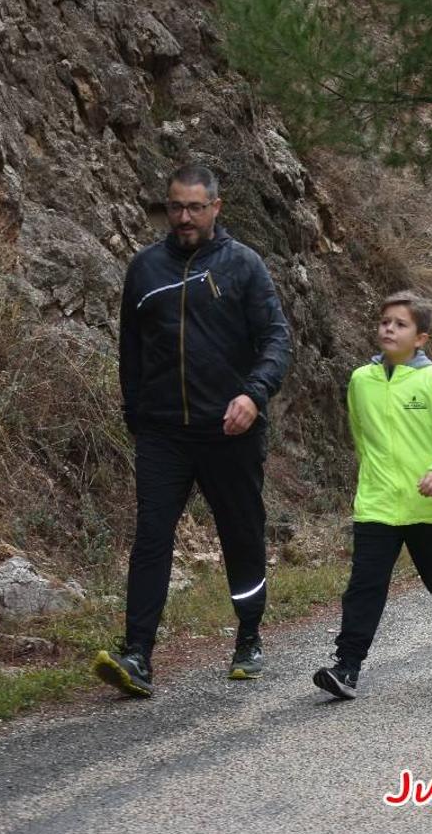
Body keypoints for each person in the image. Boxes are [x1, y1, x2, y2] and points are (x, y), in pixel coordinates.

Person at [94, 163, 293, 698]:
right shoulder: (145, 269)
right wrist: (135, 416)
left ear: (215, 208)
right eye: (175, 207)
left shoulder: (244, 266)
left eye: (194, 208)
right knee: (152, 539)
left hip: (230, 430)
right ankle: (137, 655)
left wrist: (254, 395)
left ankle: (249, 636)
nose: (183, 217)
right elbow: (130, 352)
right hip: (163, 434)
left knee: (242, 535)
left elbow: (277, 339)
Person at [313, 292, 432, 700]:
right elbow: (361, 439)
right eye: (385, 321)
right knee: (364, 586)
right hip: (377, 505)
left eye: (400, 324)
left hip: (429, 507)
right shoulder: (360, 381)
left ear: (420, 338)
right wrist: (373, 483)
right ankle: (347, 666)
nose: (389, 328)